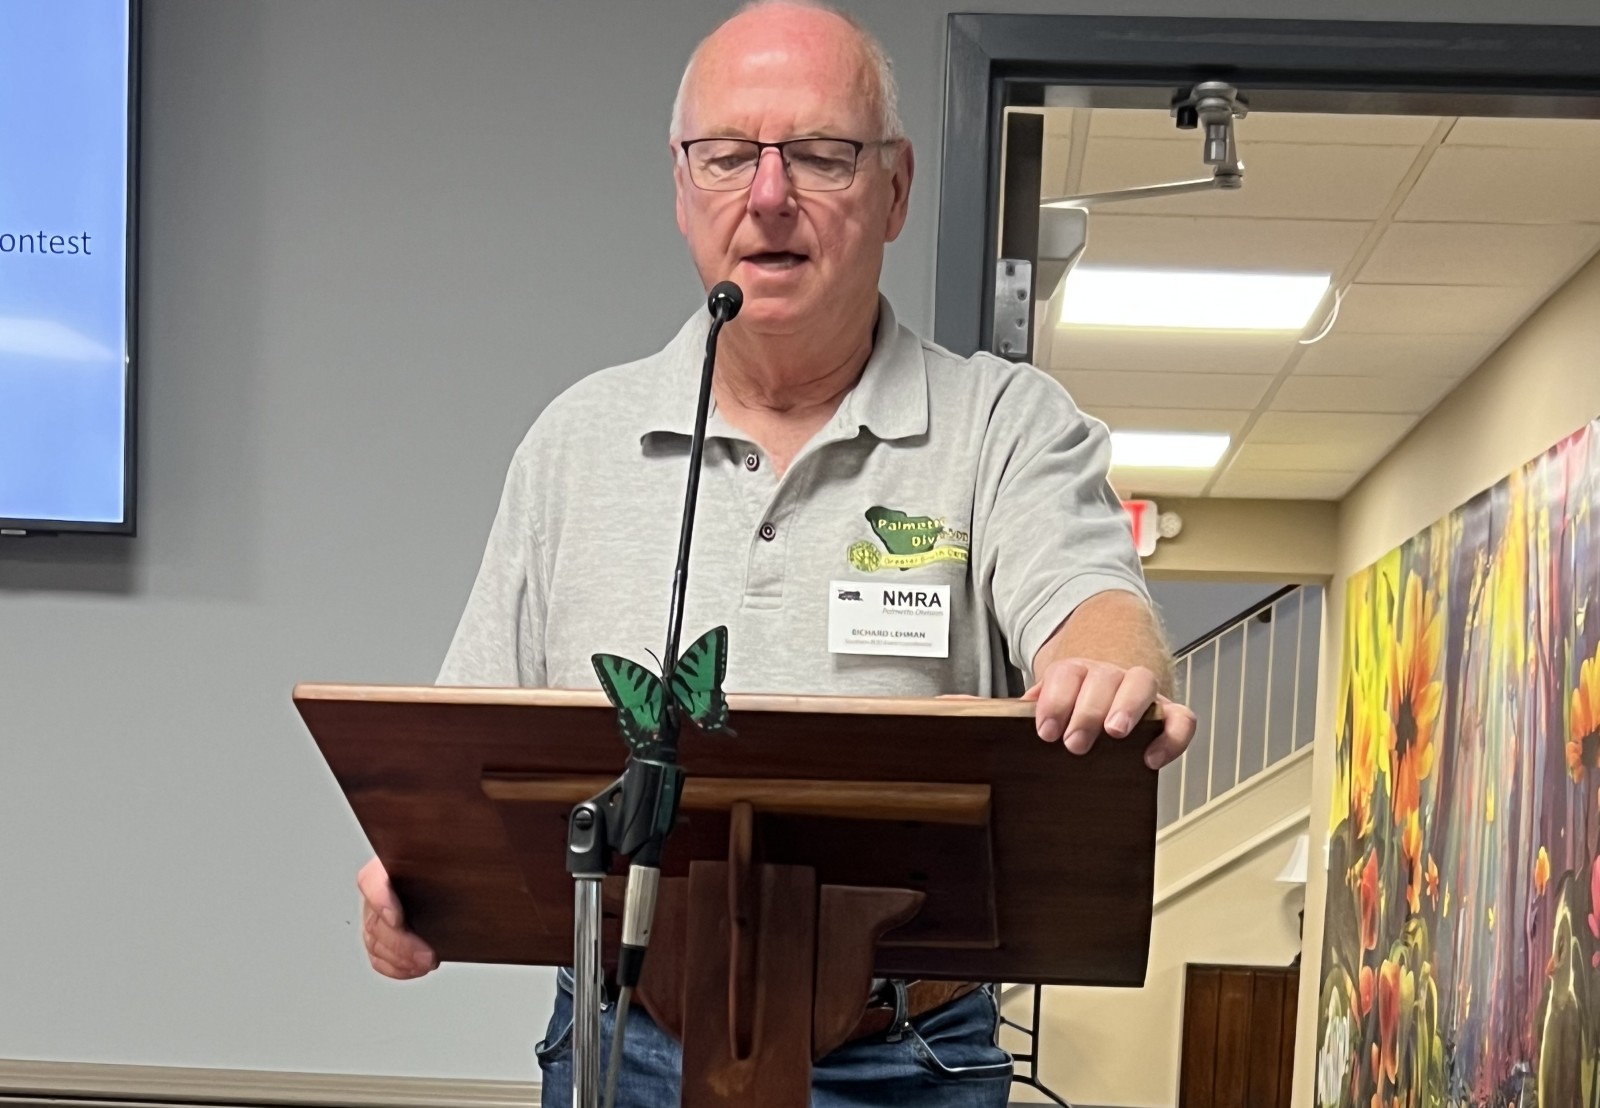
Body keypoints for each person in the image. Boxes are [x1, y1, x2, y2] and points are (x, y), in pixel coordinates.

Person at [357, 1, 1198, 1104]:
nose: (767, 195)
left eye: (819, 153)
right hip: (623, 1045)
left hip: (907, 1060)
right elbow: (466, 745)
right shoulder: (576, 442)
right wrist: (411, 877)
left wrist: (1108, 664)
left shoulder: (1005, 425)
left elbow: (1095, 604)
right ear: (681, 189)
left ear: (894, 189)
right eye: (727, 156)